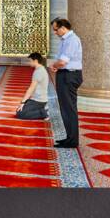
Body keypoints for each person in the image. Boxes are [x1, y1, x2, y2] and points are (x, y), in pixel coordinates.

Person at [49, 17, 83, 147]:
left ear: (63, 28)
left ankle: (72, 140)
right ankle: (69, 138)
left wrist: (55, 66)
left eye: (56, 30)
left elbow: (63, 62)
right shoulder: (66, 40)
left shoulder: (71, 40)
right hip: (66, 75)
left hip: (69, 76)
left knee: (69, 109)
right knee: (66, 108)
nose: (55, 33)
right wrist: (57, 65)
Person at [14, 52, 50, 120]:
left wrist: (23, 102)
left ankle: (43, 112)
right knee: (19, 110)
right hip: (36, 99)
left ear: (35, 61)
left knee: (20, 114)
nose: (29, 62)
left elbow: (31, 89)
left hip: (39, 100)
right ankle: (42, 109)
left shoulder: (38, 72)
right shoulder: (40, 69)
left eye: (30, 61)